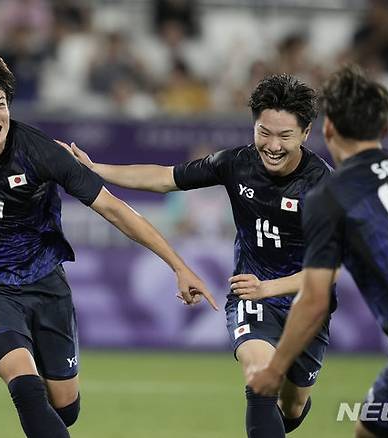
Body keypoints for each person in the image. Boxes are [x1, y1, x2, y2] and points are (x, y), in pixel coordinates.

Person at [0, 52, 217, 438]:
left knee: (65, 409)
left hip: (46, 283)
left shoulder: (38, 151)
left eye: (0, 105)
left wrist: (178, 265)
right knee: (25, 385)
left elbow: (116, 210)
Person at [58, 73, 335, 437]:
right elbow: (164, 177)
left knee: (293, 405)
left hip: (306, 301)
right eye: (264, 132)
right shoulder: (236, 163)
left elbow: (328, 270)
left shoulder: (323, 186)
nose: (272, 145)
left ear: (305, 133)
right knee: (259, 377)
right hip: (251, 293)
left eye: (284, 135)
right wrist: (96, 169)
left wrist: (271, 288)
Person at [249, 65, 388, 438]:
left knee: (367, 432)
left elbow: (315, 299)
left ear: (327, 128)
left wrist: (276, 369)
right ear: (384, 128)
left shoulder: (333, 196)